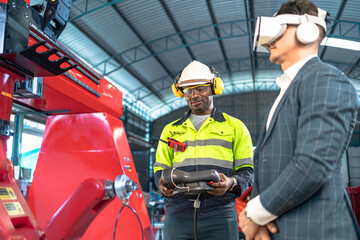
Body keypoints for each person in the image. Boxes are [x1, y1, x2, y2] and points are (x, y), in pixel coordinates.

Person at [239, 0, 359, 240]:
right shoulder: (288, 89)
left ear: (307, 31)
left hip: (315, 230)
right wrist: (258, 220)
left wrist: (254, 214)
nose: (269, 40)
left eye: (278, 29)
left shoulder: (325, 79)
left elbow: (314, 164)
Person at [153, 60, 254, 240]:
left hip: (220, 217)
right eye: (189, 91)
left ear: (214, 87)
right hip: (178, 217)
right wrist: (161, 184)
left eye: (201, 89)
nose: (194, 95)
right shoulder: (170, 130)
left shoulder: (235, 127)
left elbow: (247, 172)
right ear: (181, 92)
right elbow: (159, 168)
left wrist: (231, 183)